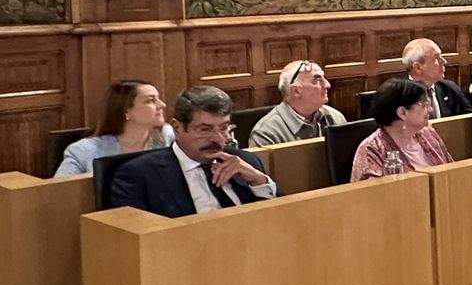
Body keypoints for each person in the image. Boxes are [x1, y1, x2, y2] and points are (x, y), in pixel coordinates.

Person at [109, 86, 278, 217]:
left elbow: (282, 220)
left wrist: (259, 181)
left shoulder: (245, 161)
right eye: (205, 130)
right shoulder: (138, 175)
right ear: (177, 127)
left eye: (224, 128)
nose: (218, 138)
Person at [55, 80, 174, 177]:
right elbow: (59, 193)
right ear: (126, 111)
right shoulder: (84, 151)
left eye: (158, 99)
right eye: (151, 100)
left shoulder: (169, 136)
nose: (162, 105)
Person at [350, 78, 453, 182]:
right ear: (402, 113)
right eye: (424, 104)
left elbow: (452, 172)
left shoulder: (429, 134)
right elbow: (372, 193)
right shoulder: (372, 149)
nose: (430, 110)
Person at [248, 60, 347, 146]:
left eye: (324, 79)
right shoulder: (267, 133)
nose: (327, 85)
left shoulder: (335, 117)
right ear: (296, 91)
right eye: (317, 80)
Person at [401, 37, 471, 117]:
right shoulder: (399, 97)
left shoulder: (450, 89)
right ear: (418, 68)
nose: (444, 61)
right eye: (436, 58)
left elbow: (471, 120)